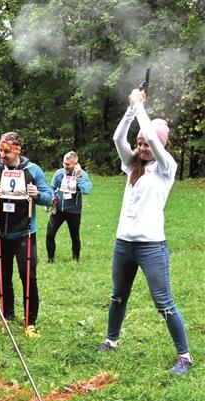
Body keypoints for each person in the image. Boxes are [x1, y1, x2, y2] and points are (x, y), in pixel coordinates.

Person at [96, 87, 192, 374]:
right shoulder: (132, 166)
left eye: (147, 144)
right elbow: (117, 138)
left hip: (151, 246)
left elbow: (151, 134)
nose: (142, 147)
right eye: (139, 144)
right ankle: (111, 340)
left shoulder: (166, 167)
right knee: (117, 296)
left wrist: (140, 106)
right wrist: (130, 109)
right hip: (123, 244)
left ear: (160, 146)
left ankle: (184, 356)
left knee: (164, 302)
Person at [0, 132, 52, 337]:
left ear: (17, 150)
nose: (1, 154)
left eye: (6, 151)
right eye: (0, 150)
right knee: (3, 277)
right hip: (1, 233)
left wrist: (37, 195)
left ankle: (30, 322)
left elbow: (50, 198)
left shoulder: (33, 170)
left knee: (28, 276)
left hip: (25, 233)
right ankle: (6, 316)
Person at [45, 152, 92, 262]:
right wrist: (52, 197)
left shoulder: (82, 175)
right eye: (64, 164)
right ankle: (50, 259)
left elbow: (86, 190)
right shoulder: (59, 173)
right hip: (58, 210)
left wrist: (79, 176)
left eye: (68, 164)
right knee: (50, 234)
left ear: (75, 164)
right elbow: (52, 187)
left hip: (74, 211)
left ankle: (76, 259)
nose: (65, 166)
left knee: (74, 236)